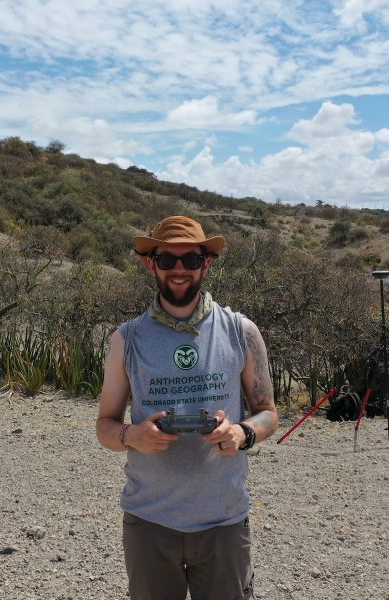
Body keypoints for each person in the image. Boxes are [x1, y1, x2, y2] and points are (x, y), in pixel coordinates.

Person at [96, 215, 278, 600]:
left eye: (190, 260)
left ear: (206, 264)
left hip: (224, 522)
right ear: (152, 264)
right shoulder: (125, 340)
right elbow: (105, 426)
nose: (179, 270)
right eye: (167, 260)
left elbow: (268, 412)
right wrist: (132, 436)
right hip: (150, 521)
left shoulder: (241, 331)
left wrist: (241, 433)